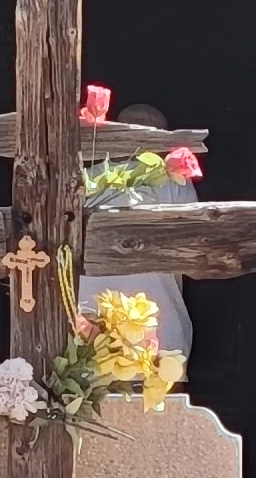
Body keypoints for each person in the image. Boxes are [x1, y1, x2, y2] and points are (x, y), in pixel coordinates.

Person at [82, 100, 196, 372]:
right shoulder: (173, 183)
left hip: (89, 324)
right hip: (159, 326)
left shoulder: (85, 179)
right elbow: (192, 246)